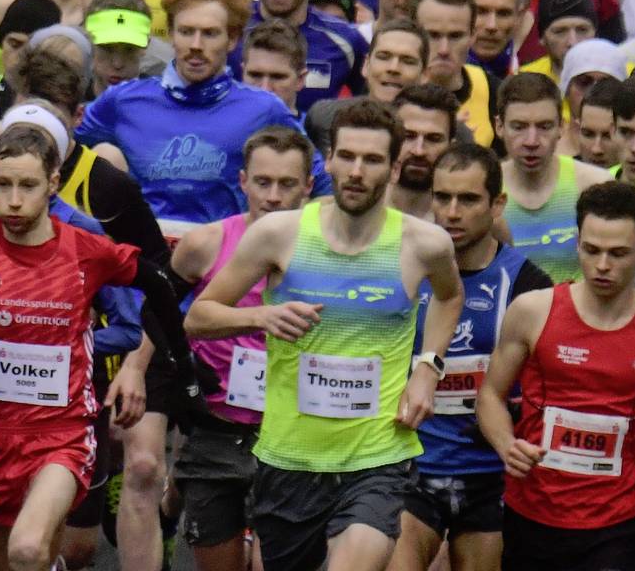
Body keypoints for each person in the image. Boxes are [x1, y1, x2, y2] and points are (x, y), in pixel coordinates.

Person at [187, 99, 466, 571]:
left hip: (377, 456)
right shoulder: (280, 234)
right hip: (288, 458)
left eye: (374, 159)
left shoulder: (424, 243)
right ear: (329, 159)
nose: (358, 171)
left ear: (395, 167)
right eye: (348, 157)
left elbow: (449, 296)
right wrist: (260, 318)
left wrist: (428, 369)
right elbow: (199, 317)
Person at [0, 124, 194, 571]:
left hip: (61, 437)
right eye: (3, 185)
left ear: (53, 184)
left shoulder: (85, 248)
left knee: (27, 548)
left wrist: (181, 363)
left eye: (28, 186)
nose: (14, 200)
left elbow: (158, 279)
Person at [479, 179, 635, 570]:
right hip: (532, 513)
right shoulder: (534, 311)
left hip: (617, 522)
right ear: (577, 242)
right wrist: (505, 445)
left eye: (618, 253)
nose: (602, 265)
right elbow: (491, 396)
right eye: (591, 250)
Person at [397, 142, 555, 571]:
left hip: (490, 476)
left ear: (497, 204)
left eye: (468, 199)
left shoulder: (528, 283)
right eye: (442, 197)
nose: (451, 212)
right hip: (411, 466)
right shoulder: (402, 270)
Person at [166, 128, 313, 571]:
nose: (273, 196)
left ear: (308, 187)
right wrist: (139, 373)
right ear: (243, 181)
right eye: (263, 183)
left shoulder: (328, 252)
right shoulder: (206, 243)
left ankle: (171, 500)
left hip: (293, 434)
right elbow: (165, 316)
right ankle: (170, 502)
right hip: (218, 428)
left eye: (287, 184)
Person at [76, 0, 303, 235]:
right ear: (171, 33)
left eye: (209, 33)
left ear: (232, 39)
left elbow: (320, 184)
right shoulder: (123, 101)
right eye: (186, 32)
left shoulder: (264, 109)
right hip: (146, 258)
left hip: (224, 260)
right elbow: (52, 148)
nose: (196, 46)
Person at [496, 72, 610, 284]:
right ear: (499, 126)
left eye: (544, 126)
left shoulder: (595, 185)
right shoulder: (482, 190)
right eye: (519, 127)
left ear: (562, 127)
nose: (531, 141)